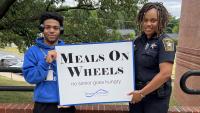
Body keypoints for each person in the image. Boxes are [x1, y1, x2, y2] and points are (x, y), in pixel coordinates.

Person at [22, 12, 76, 113]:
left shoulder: (69, 50)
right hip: (43, 105)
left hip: (67, 104)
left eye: (55, 28)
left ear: (61, 30)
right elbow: (30, 78)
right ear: (42, 29)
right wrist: (45, 63)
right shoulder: (32, 51)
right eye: (48, 27)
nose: (51, 31)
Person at [128, 2, 176, 113]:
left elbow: (165, 74)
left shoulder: (165, 42)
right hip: (137, 97)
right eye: (145, 20)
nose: (148, 24)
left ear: (161, 22)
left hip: (155, 99)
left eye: (153, 20)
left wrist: (142, 93)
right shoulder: (137, 42)